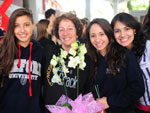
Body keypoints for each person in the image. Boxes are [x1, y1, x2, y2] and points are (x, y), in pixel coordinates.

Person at [86, 18, 145, 113]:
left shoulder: (125, 56)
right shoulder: (90, 59)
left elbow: (137, 89)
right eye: (93, 36)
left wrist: (109, 101)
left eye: (101, 34)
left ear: (109, 34)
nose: (97, 40)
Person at [43, 12, 95, 113]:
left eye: (70, 29)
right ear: (57, 33)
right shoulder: (48, 52)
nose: (65, 33)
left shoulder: (86, 59)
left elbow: (89, 91)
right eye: (61, 29)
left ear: (77, 32)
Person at [0, 8, 44, 113]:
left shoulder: (41, 52)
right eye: (17, 25)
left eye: (26, 25)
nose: (22, 30)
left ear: (33, 26)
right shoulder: (4, 50)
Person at [111, 12, 150, 113]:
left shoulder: (148, 47)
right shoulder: (117, 55)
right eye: (117, 31)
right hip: (136, 108)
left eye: (127, 29)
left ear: (134, 30)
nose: (122, 34)